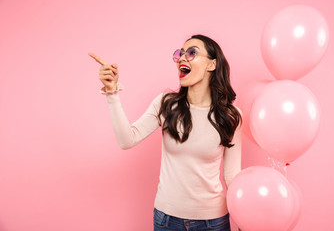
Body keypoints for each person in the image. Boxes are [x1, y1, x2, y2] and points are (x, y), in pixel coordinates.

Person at [89, 34, 243, 231]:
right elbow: (127, 139)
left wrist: (243, 219)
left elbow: (232, 176)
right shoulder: (166, 104)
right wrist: (111, 93)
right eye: (180, 54)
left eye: (192, 53)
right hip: (167, 220)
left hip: (213, 222)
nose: (182, 58)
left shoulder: (231, 116)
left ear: (211, 65)